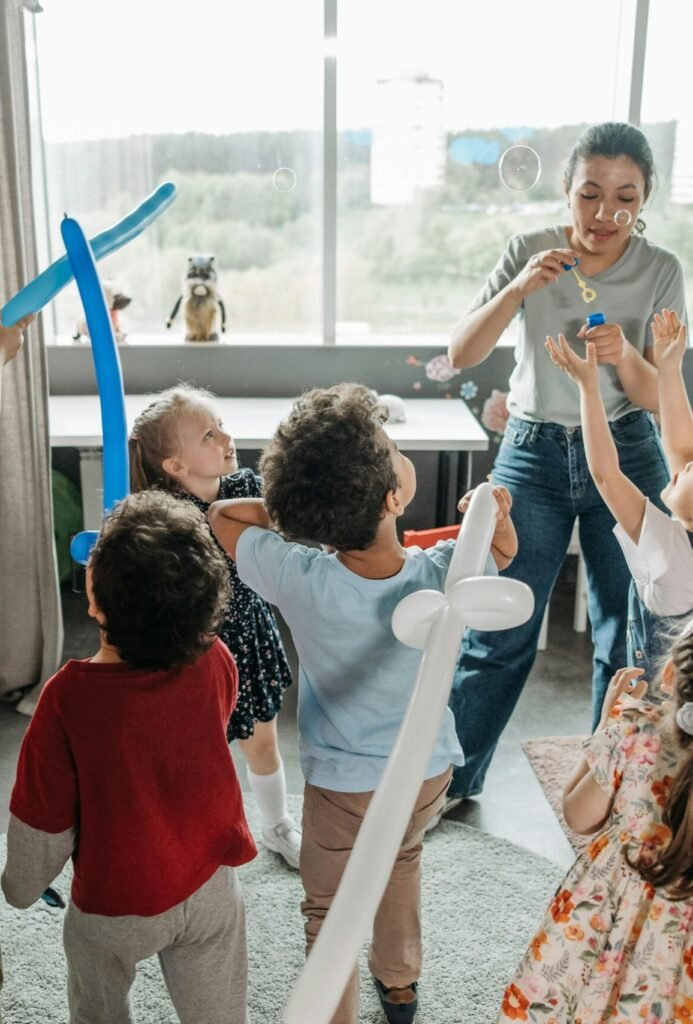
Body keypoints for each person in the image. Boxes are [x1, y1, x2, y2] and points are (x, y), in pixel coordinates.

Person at [208, 382, 518, 1024]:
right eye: (392, 448)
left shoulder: (297, 576)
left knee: (330, 911)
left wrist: (301, 512)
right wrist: (496, 515)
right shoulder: (441, 573)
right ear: (394, 496)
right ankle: (400, 984)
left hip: (343, 786)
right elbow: (503, 553)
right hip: (426, 773)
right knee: (402, 857)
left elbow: (221, 517)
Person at [447, 121, 688, 801]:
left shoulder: (661, 269)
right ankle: (455, 784)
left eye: (624, 198)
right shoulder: (528, 251)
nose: (603, 213)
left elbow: (658, 394)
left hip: (628, 448)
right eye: (589, 194)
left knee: (632, 633)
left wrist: (624, 357)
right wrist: (518, 287)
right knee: (498, 626)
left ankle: (608, 784)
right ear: (566, 192)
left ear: (643, 202)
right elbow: (460, 352)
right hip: (531, 453)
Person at [1, 491, 256, 1024]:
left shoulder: (69, 698)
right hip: (210, 880)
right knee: (221, 1012)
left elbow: (43, 820)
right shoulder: (215, 656)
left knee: (98, 1008)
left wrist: (20, 888)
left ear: (95, 604)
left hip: (115, 902)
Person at [129, 385, 301, 869]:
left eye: (221, 424)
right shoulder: (162, 518)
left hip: (248, 639)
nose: (226, 437)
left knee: (263, 743)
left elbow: (284, 524)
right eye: (209, 434)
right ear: (175, 466)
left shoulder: (243, 489)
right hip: (193, 654)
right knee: (197, 755)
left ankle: (277, 825)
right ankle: (190, 833)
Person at [497, 627, 693, 1023]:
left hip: (600, 922)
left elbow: (579, 814)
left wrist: (608, 724)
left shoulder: (637, 730)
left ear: (670, 673)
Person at [546, 307, 693, 682]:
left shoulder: (672, 553)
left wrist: (589, 389)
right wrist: (670, 368)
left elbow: (607, 475)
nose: (689, 465)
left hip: (660, 716)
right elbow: (682, 448)